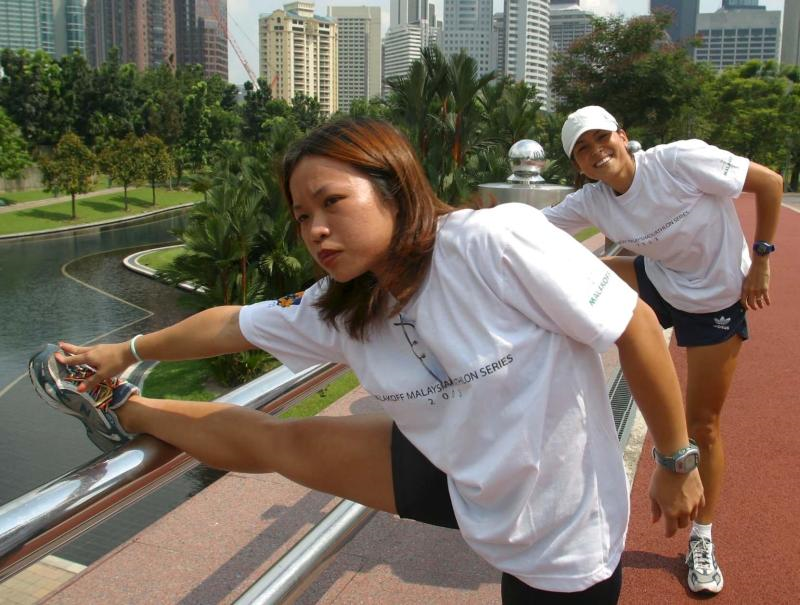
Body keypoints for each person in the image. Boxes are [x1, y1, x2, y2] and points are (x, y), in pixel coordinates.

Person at [29, 118, 704, 604]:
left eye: (332, 202)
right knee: (280, 440)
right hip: (460, 474)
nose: (315, 229)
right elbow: (231, 324)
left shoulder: (490, 241)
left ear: (394, 188)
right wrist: (126, 351)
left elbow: (637, 325)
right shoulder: (343, 303)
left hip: (564, 534)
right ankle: (124, 407)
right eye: (301, 216)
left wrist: (675, 460)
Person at [543, 105, 783, 595]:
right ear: (579, 165)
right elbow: (529, 228)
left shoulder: (678, 161)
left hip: (716, 297)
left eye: (600, 139)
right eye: (582, 150)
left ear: (622, 136)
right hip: (660, 280)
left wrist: (761, 258)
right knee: (580, 270)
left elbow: (772, 183)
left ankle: (703, 537)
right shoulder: (593, 200)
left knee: (703, 426)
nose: (595, 152)